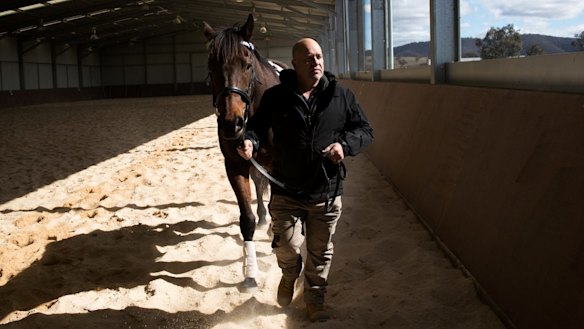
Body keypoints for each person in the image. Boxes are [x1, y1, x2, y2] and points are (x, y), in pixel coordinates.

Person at [237, 38, 373, 322]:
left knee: (321, 253)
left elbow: (364, 130)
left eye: (320, 56)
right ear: (295, 64)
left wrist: (344, 146)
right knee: (285, 245)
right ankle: (289, 273)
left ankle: (315, 301)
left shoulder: (341, 96)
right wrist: (249, 141)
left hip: (326, 191)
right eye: (309, 58)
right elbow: (257, 128)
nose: (316, 62)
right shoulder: (276, 97)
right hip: (286, 190)